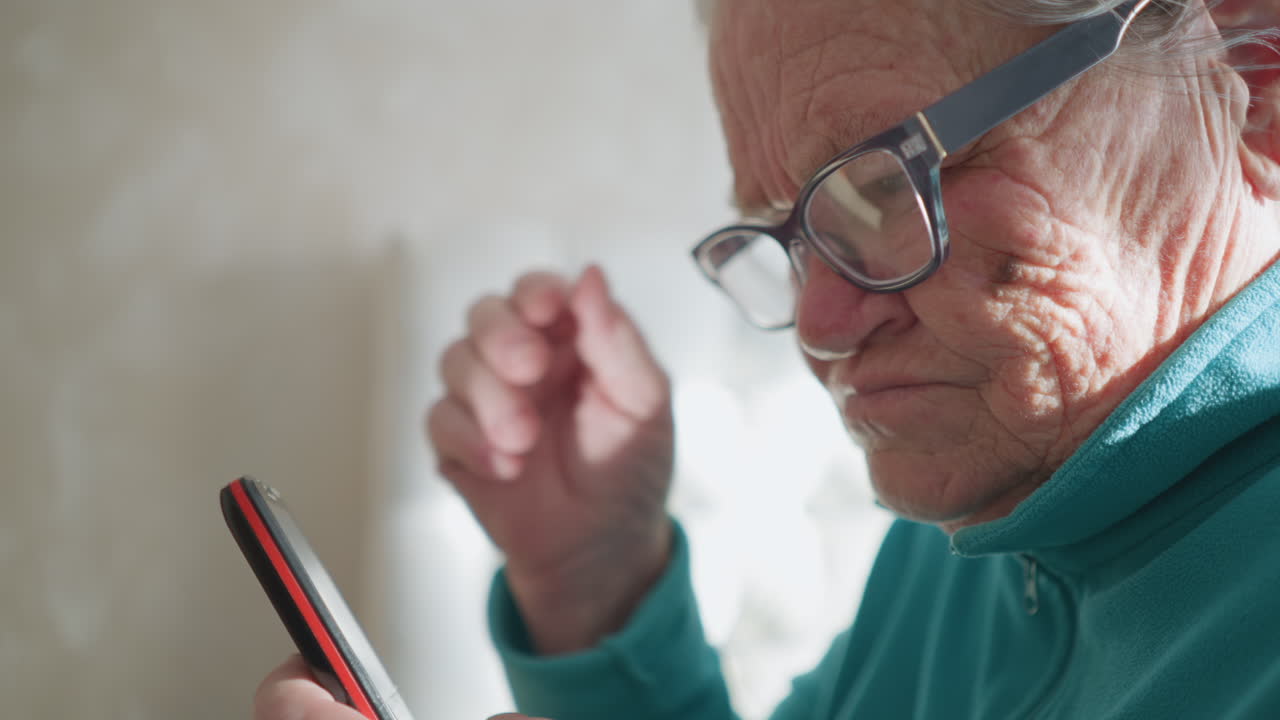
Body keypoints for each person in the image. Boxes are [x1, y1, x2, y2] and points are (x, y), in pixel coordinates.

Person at [254, 0, 1280, 717]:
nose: (821, 327)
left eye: (886, 179)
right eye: (781, 230)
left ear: (1250, 65)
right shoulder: (973, 524)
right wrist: (593, 580)